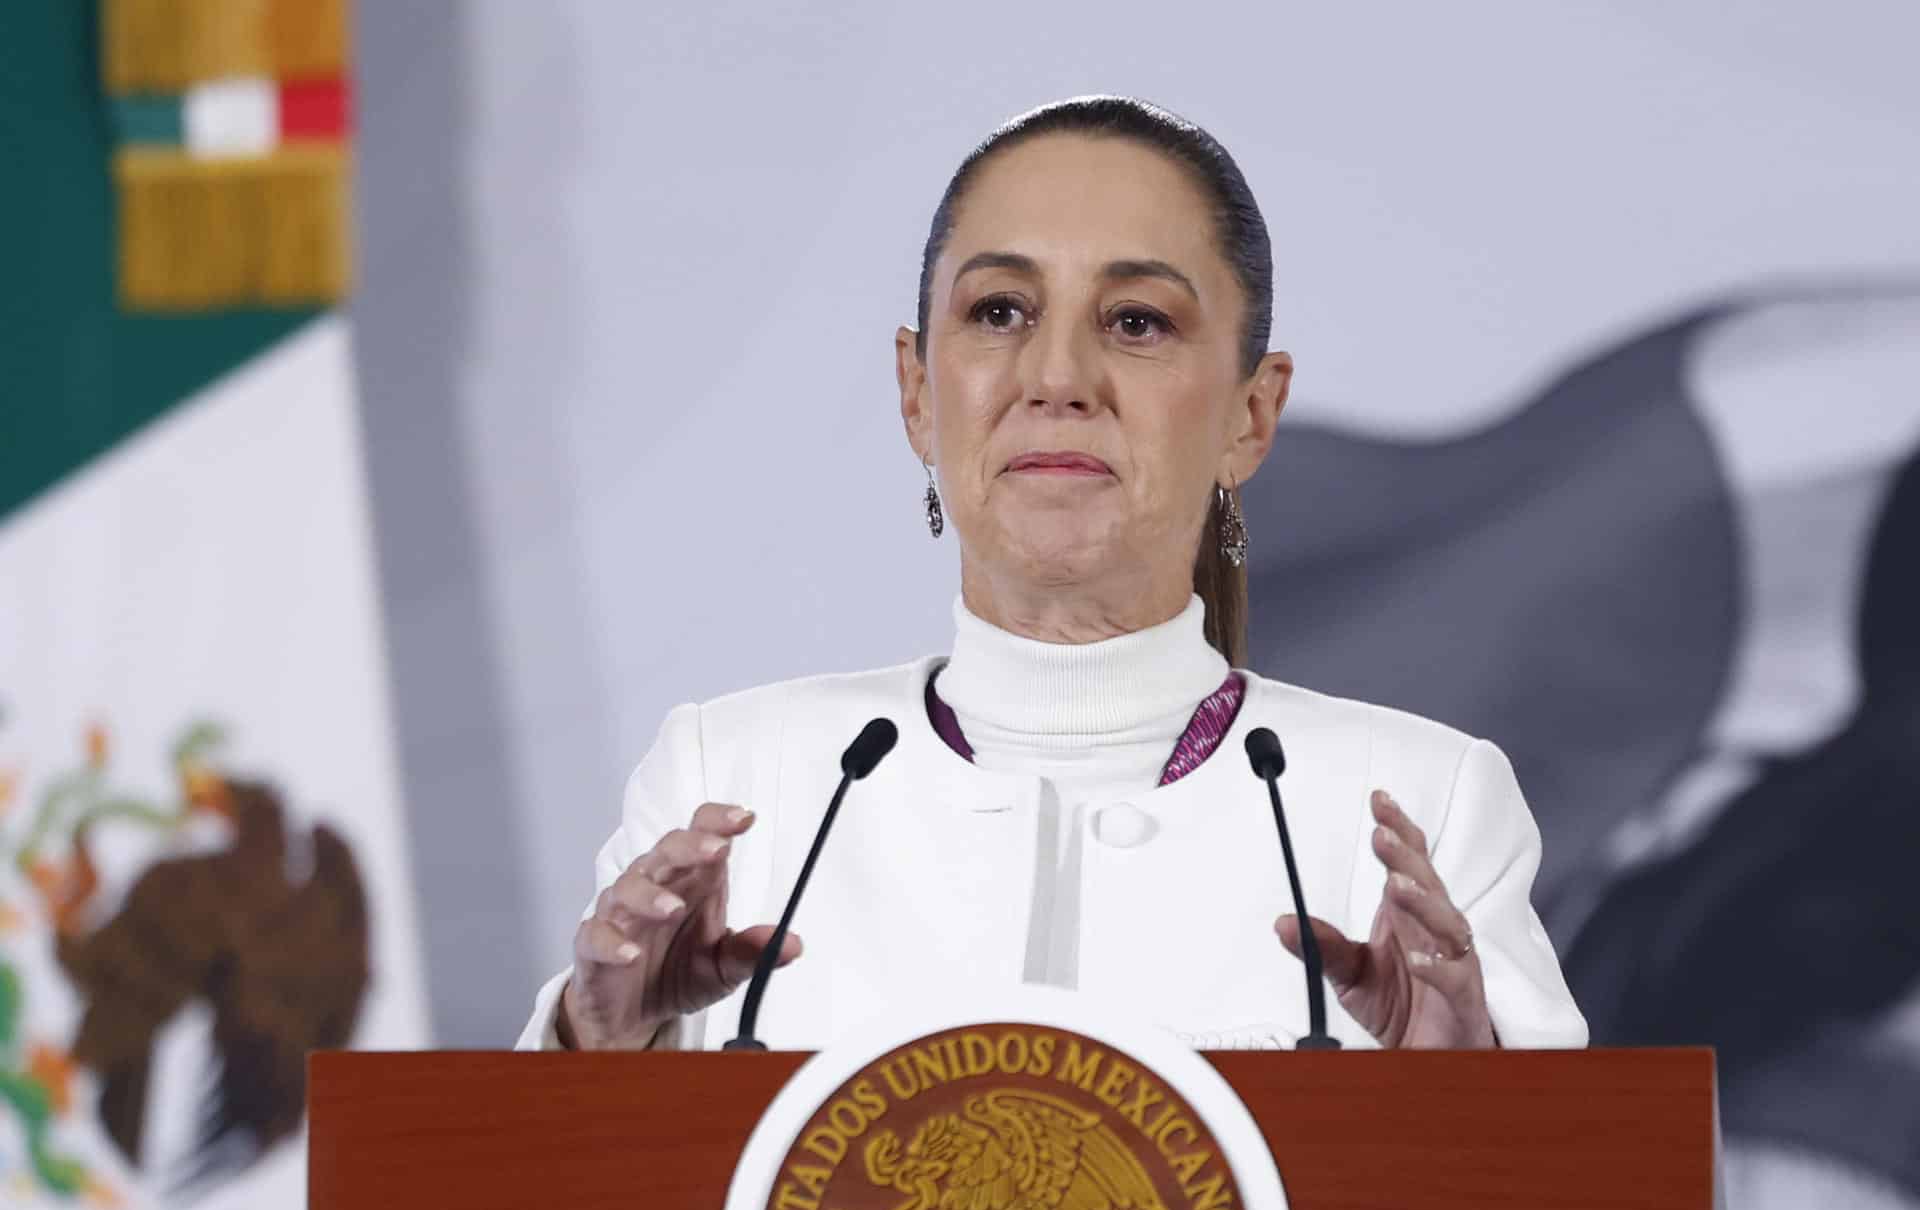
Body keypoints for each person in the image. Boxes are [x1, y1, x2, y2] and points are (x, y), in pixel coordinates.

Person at [517, 97, 1586, 1054]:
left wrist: (1466, 1099)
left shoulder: (1418, 809)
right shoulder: (741, 781)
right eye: (998, 312)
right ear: (917, 389)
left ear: (1250, 415)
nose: (1059, 376)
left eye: (1136, 321)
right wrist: (601, 1048)